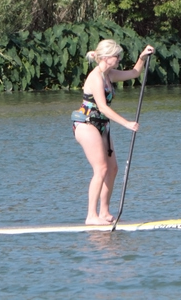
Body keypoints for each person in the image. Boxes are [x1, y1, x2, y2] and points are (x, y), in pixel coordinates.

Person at [71, 39, 155, 225]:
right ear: (107, 57)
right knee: (100, 169)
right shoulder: (95, 77)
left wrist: (142, 57)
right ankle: (91, 216)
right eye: (116, 56)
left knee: (113, 168)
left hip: (101, 125)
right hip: (85, 123)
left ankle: (105, 212)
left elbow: (134, 73)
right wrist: (126, 123)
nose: (118, 59)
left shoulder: (109, 74)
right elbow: (102, 107)